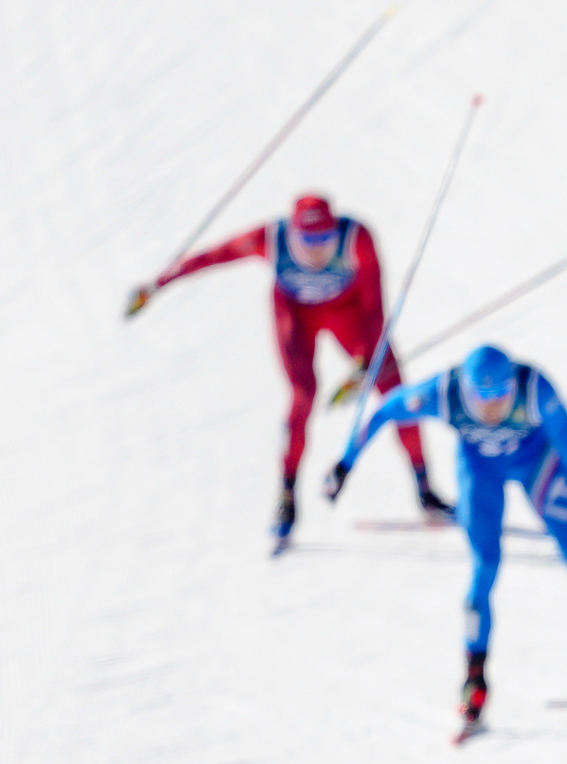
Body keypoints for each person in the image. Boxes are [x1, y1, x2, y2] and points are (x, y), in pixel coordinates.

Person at [323, 343, 567, 733]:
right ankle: (474, 680)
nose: (492, 408)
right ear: (467, 391)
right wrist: (345, 463)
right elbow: (386, 409)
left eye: (501, 396)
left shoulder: (536, 391)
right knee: (484, 566)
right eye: (481, 399)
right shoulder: (445, 393)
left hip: (536, 463)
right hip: (480, 471)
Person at [126, 194, 447, 546]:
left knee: (394, 389)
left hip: (348, 312)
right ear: (293, 232)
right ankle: (287, 496)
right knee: (303, 395)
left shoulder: (357, 238)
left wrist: (365, 362)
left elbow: (374, 309)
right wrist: (157, 284)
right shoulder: (271, 239)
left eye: (324, 237)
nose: (316, 248)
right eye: (307, 239)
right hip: (296, 316)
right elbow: (216, 255)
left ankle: (425, 488)